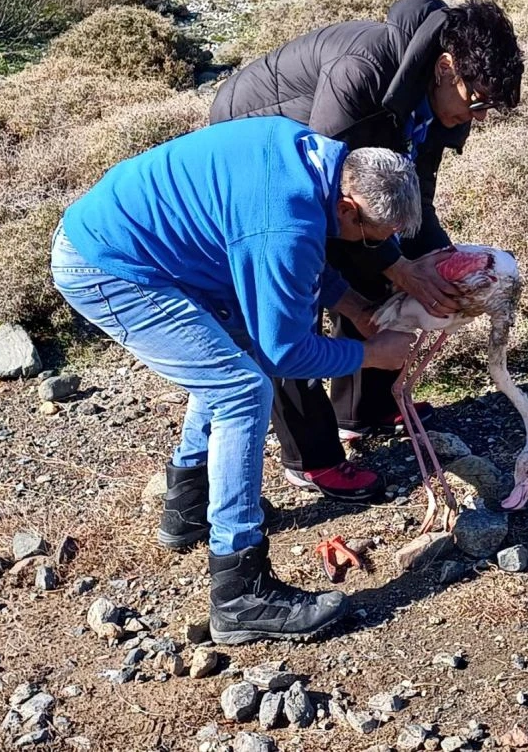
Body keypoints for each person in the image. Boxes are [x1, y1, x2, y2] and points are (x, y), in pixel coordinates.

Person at [50, 116, 419, 644]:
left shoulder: (315, 159)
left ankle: (190, 505)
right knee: (241, 390)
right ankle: (240, 592)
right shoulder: (285, 221)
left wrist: (358, 309)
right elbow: (285, 351)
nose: (368, 246)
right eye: (369, 237)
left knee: (234, 358)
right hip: (109, 265)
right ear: (348, 208)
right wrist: (371, 356)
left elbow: (301, 260)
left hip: (140, 244)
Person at [205, 0, 524, 507]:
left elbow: (411, 195)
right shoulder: (363, 75)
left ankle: (364, 409)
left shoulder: (440, 99)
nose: (480, 117)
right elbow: (331, 202)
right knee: (293, 294)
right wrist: (398, 267)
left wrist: (434, 260)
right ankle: (311, 458)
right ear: (446, 68)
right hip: (259, 145)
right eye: (479, 102)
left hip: (334, 173)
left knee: (382, 256)